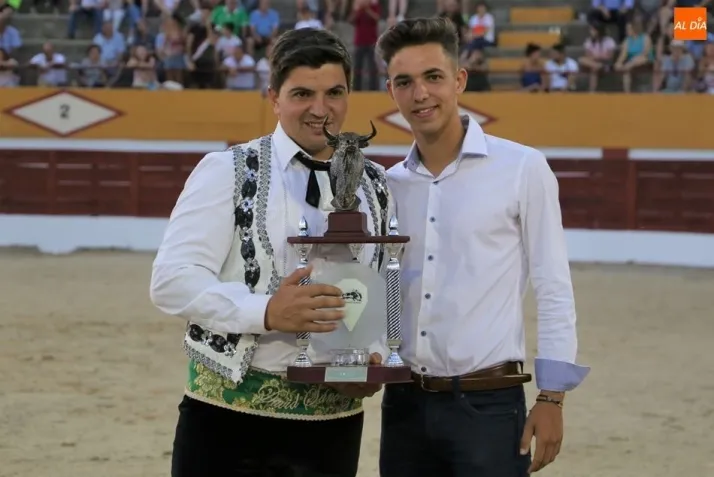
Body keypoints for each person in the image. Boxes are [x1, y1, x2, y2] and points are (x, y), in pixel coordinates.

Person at [150, 27, 393, 477]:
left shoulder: (375, 183)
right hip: (230, 420)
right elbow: (172, 280)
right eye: (302, 94)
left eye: (334, 93)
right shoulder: (227, 170)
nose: (320, 109)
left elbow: (376, 285)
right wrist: (265, 311)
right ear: (274, 98)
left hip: (334, 425)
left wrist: (368, 359)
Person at [376, 17, 590, 477]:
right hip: (403, 406)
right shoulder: (388, 186)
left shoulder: (522, 167)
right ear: (390, 91)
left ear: (459, 80)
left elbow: (553, 285)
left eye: (433, 77)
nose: (420, 94)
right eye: (404, 82)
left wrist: (552, 397)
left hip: (488, 406)